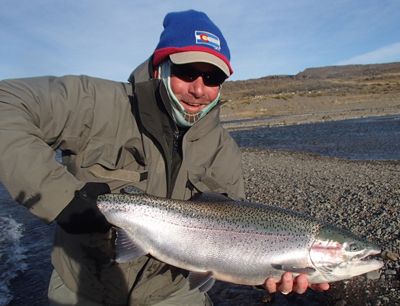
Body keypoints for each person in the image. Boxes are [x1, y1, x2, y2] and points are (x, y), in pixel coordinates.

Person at [0, 9, 328, 306]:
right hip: (82, 289)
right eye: (187, 72)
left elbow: (238, 237)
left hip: (174, 294)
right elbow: (6, 103)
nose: (199, 90)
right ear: (161, 67)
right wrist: (61, 199)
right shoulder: (97, 104)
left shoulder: (224, 151)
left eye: (213, 78)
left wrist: (265, 274)